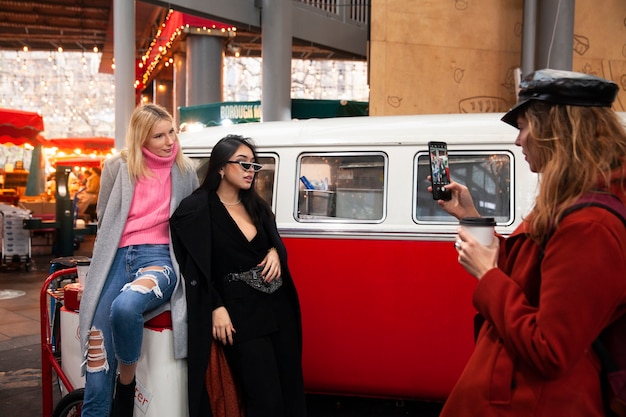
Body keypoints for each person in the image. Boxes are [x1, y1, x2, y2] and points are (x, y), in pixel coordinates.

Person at [435, 69, 626, 416]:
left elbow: (550, 349)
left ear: (556, 132)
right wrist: (472, 219)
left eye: (524, 127)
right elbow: (532, 269)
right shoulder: (573, 200)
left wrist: (488, 276)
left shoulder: (591, 225)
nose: (518, 140)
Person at [170, 134, 307, 417]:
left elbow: (276, 244)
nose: (250, 171)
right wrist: (215, 307)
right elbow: (193, 266)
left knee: (289, 391)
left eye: (253, 165)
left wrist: (274, 251)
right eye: (242, 164)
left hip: (278, 308)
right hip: (238, 315)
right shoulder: (196, 210)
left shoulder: (257, 206)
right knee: (263, 398)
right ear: (220, 167)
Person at [79, 103, 199, 417]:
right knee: (97, 357)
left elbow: (193, 221)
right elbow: (105, 216)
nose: (169, 140)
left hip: (160, 258)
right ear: (142, 139)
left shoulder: (185, 171)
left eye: (171, 131)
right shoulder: (117, 167)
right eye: (159, 136)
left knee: (125, 307)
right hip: (117, 258)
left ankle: (126, 385)